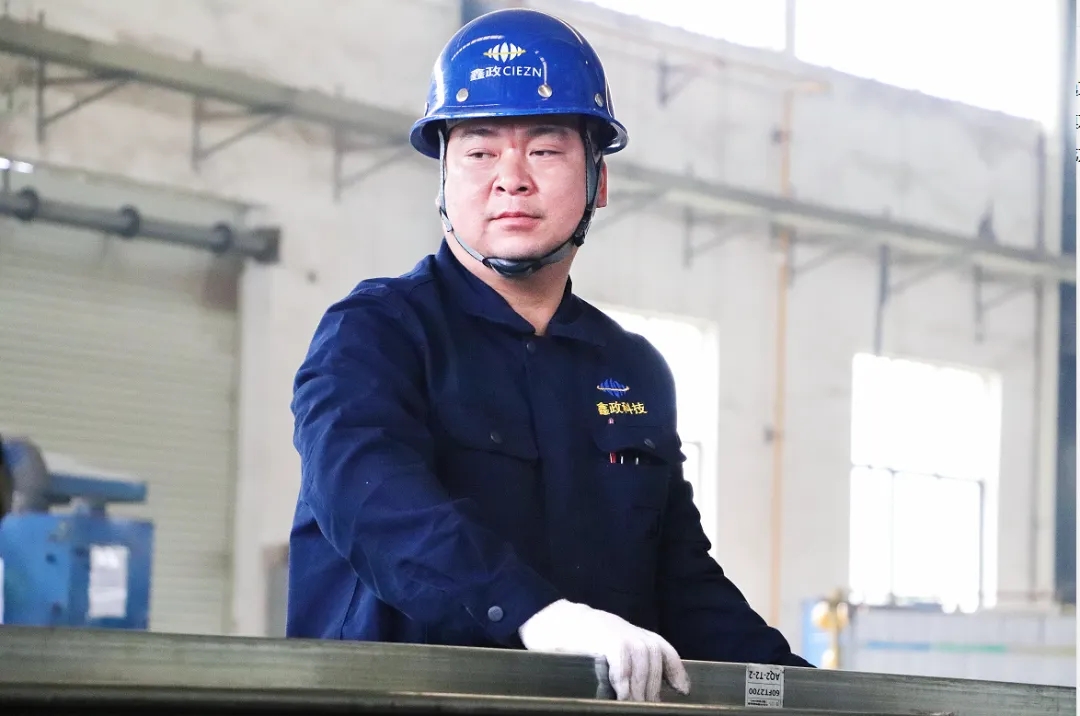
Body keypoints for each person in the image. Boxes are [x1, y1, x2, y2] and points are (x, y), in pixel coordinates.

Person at [287, 6, 812, 703]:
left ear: (598, 181)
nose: (511, 178)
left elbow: (683, 584)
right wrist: (537, 615)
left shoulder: (628, 368)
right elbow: (372, 500)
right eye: (479, 152)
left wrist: (807, 695)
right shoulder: (375, 334)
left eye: (544, 150)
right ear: (443, 180)